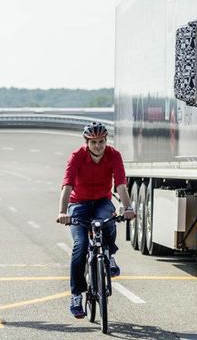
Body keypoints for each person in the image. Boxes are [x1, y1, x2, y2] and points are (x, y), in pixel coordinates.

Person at [56, 122, 135, 319]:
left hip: (101, 201)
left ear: (106, 141)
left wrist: (128, 208)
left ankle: (110, 254)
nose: (98, 146)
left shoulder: (113, 155)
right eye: (94, 142)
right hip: (79, 204)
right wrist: (62, 212)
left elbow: (121, 186)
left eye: (101, 141)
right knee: (80, 246)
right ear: (87, 143)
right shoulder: (77, 156)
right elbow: (67, 186)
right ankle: (76, 295)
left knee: (107, 219)